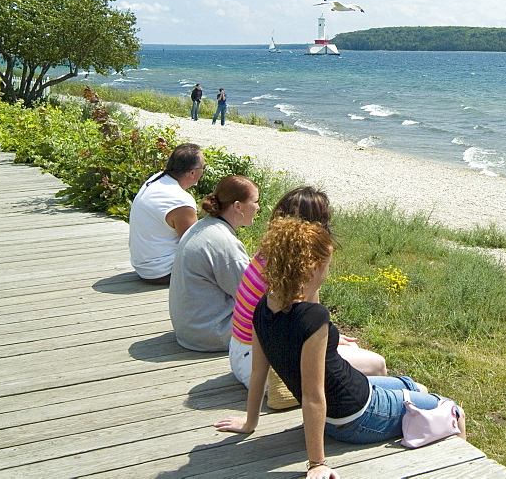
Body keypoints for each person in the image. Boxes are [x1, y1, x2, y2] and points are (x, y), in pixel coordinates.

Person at [215, 218, 465, 478]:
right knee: (454, 410)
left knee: (416, 387)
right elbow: (313, 396)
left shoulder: (263, 308)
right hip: (356, 417)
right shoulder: (313, 318)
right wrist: (317, 463)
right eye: (327, 266)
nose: (328, 272)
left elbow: (258, 373)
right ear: (313, 267)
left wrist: (249, 422)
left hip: (352, 397)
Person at [228, 186, 386, 400]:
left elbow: (307, 314)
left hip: (241, 352)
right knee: (376, 366)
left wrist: (329, 335)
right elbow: (303, 323)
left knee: (350, 350)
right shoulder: (295, 269)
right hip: (261, 364)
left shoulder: (274, 249)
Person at [169, 175, 260, 352]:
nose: (258, 207)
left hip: (189, 329)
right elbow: (252, 295)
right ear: (238, 206)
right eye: (255, 201)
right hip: (211, 333)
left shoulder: (203, 226)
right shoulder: (223, 242)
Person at [128, 143, 206, 284]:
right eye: (203, 168)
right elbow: (194, 244)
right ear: (192, 173)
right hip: (161, 271)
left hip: (143, 265)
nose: (204, 171)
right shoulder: (180, 200)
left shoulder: (155, 179)